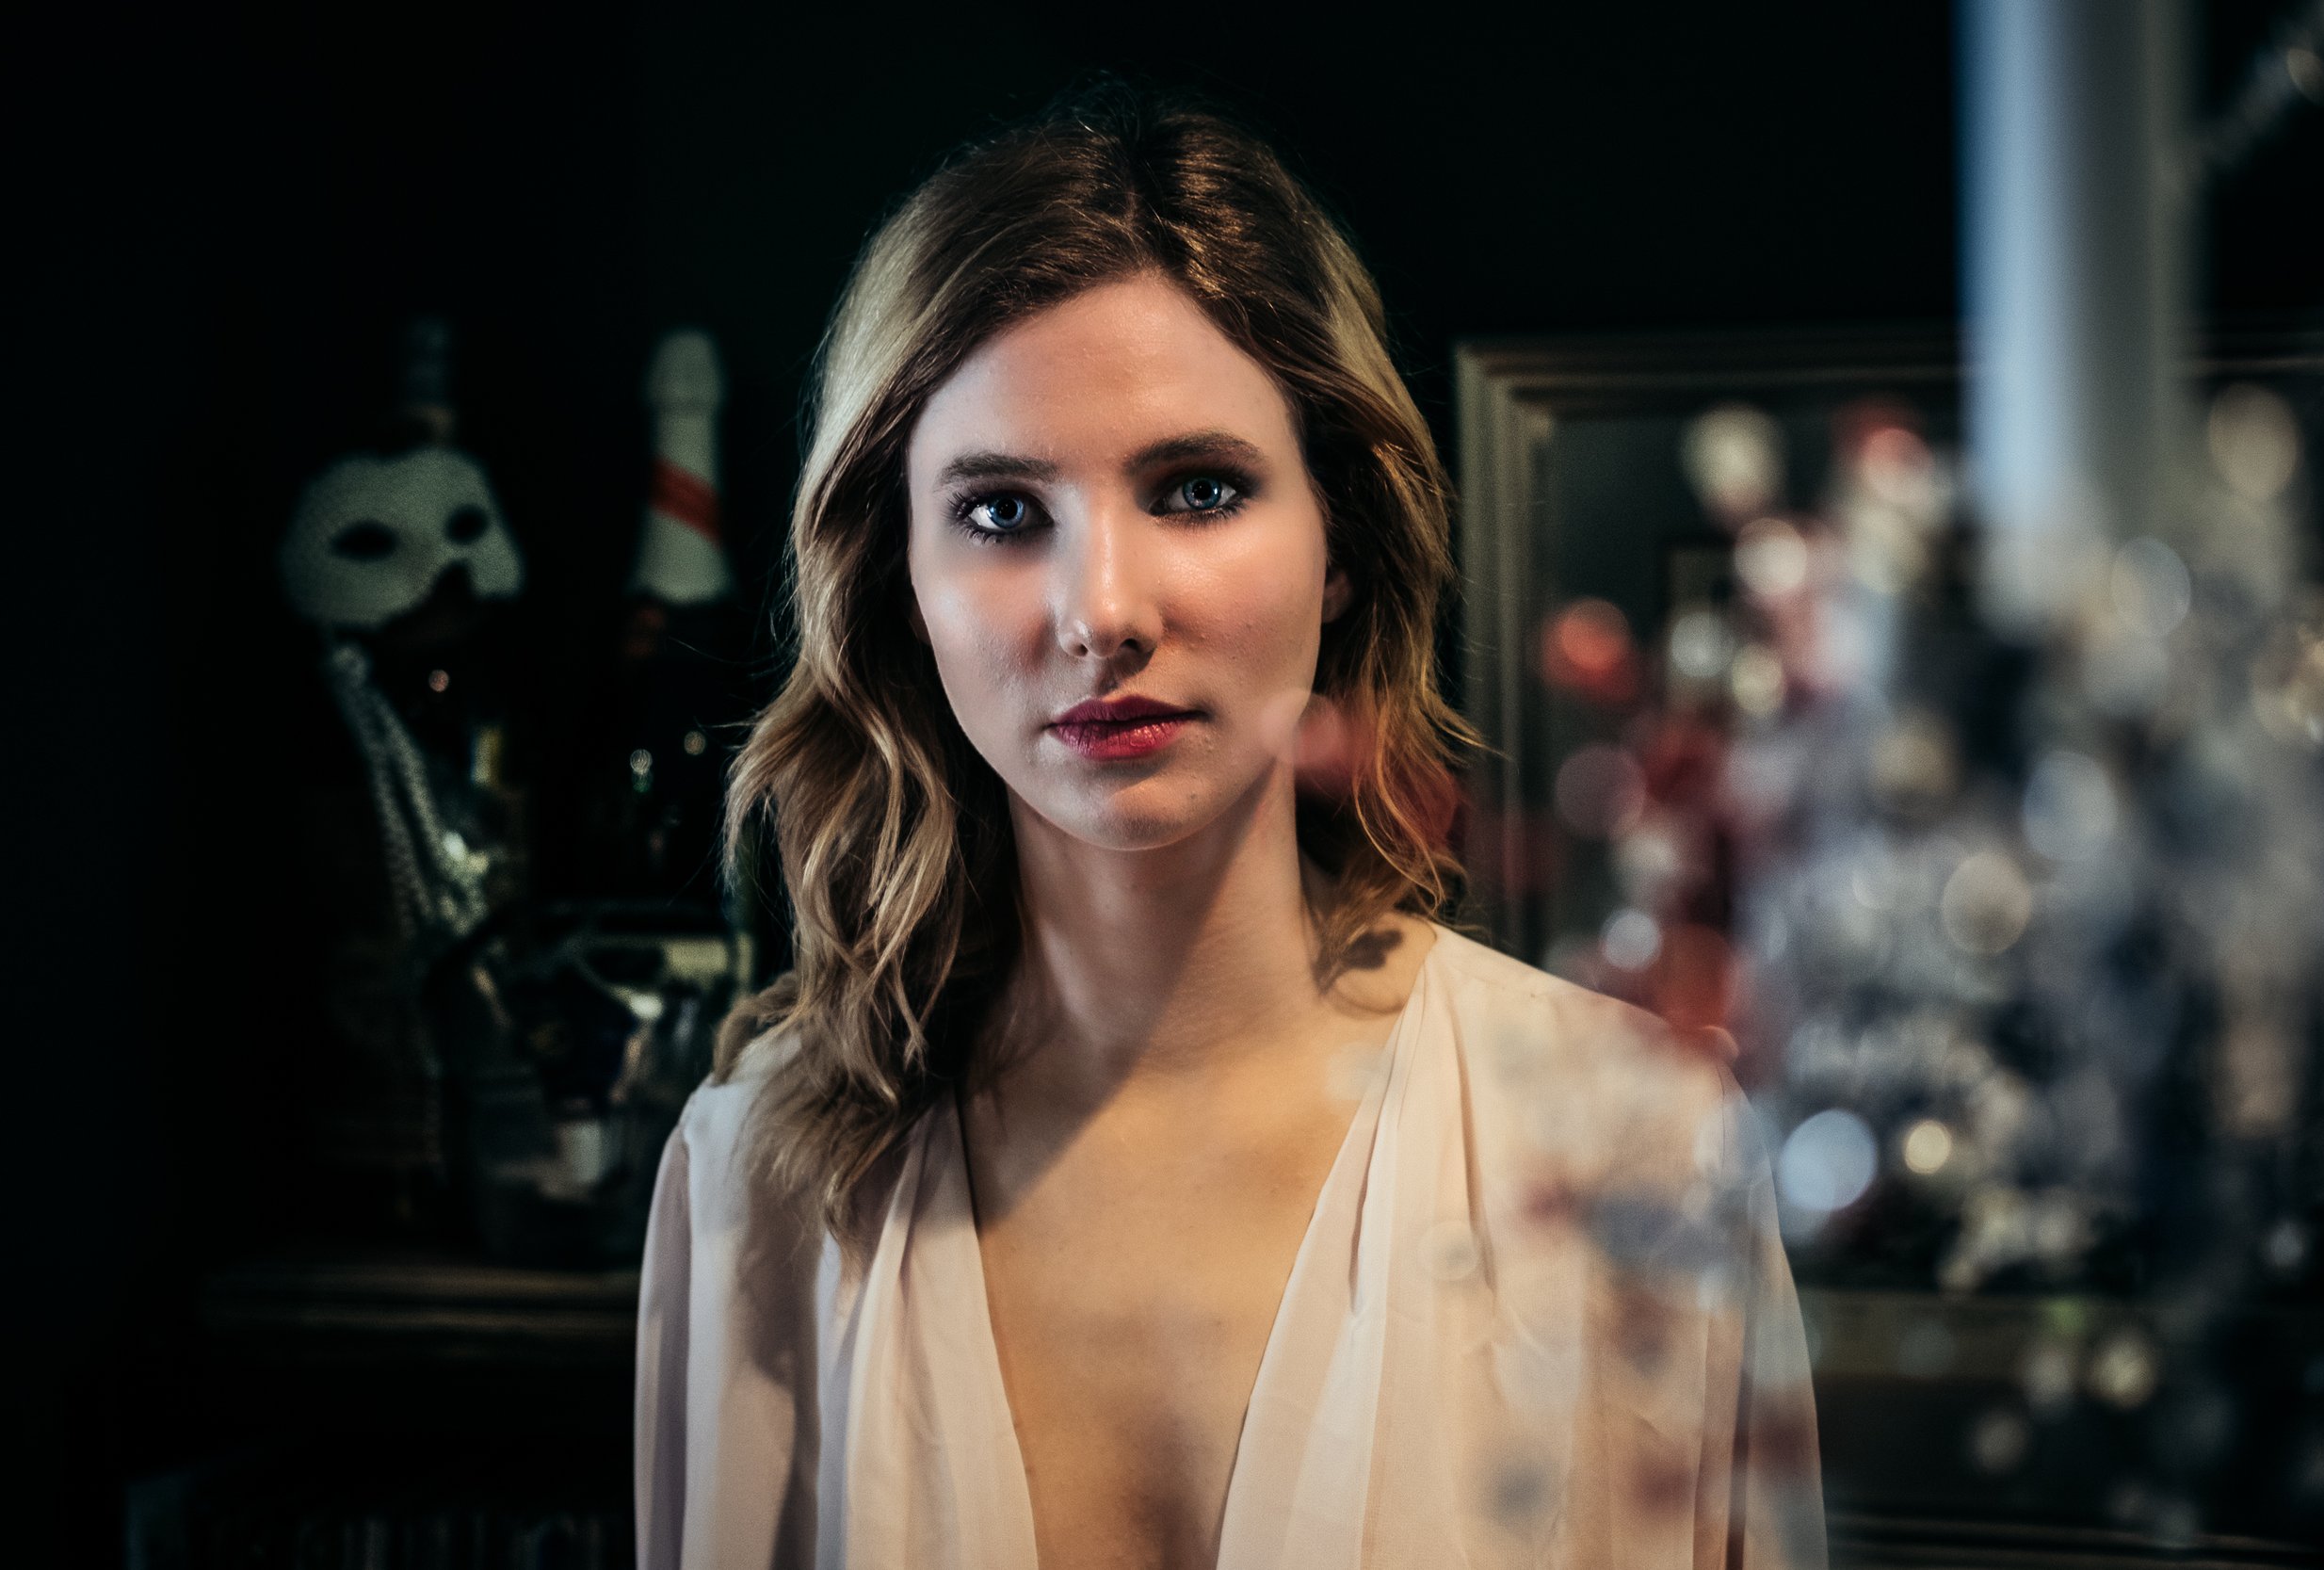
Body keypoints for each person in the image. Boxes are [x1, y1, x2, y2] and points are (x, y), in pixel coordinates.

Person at [634, 85, 1825, 1570]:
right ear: (897, 582)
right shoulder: (761, 1192)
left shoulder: (1638, 1148)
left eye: (1197, 489)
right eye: (1003, 512)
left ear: (1343, 542)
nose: (1105, 612)